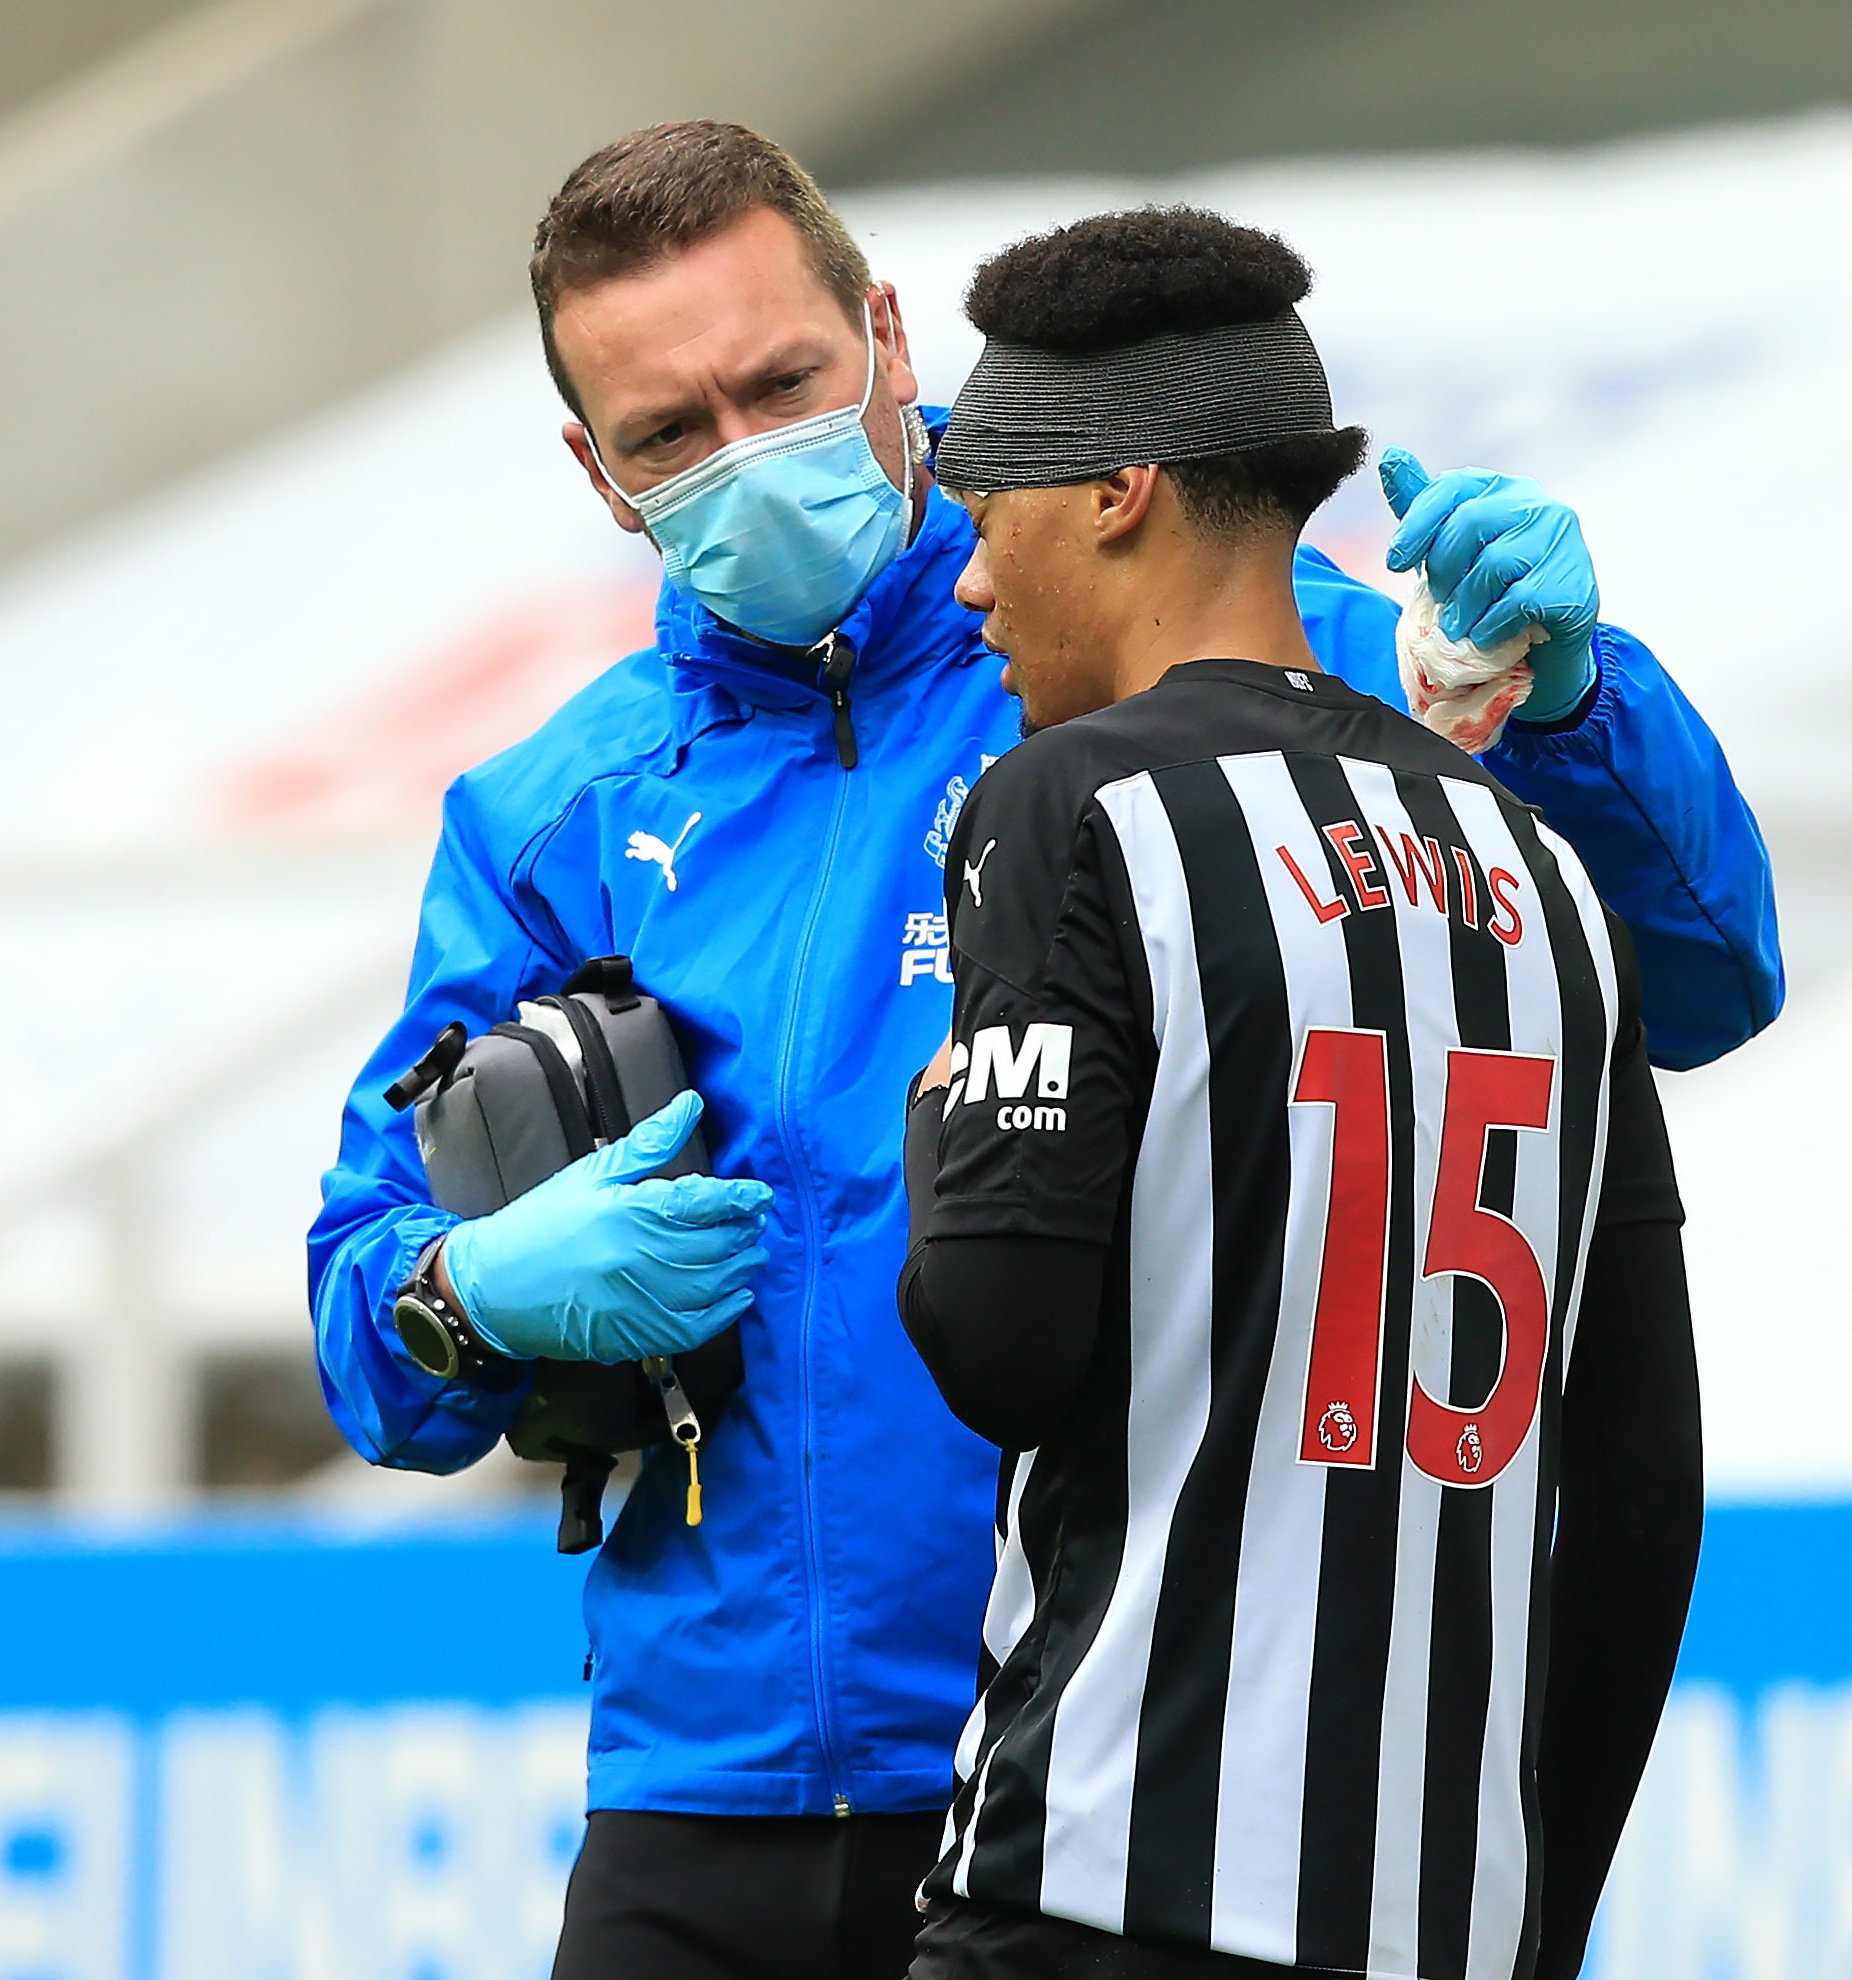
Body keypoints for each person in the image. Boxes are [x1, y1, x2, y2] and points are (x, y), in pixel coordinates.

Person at [303, 122, 1759, 1980]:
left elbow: (1695, 982)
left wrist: (1572, 708)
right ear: (599, 474)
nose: (746, 457)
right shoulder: (550, 815)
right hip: (704, 1793)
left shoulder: (1225, 651)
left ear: (891, 345)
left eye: (784, 384)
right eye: (673, 435)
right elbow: (369, 1327)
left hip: (1103, 1794)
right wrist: (478, 1295)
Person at [894, 207, 1701, 1980]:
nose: (967, 589)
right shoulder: (1541, 863)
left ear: (1114, 491)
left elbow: (999, 1343)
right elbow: (1644, 1486)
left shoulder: (1068, 806)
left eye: (986, 515)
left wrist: (944, 1112)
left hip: (1101, 1889)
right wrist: (1527, 1914)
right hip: (1435, 1925)